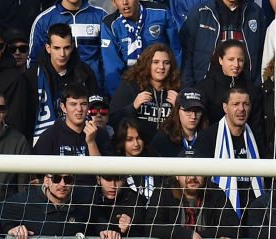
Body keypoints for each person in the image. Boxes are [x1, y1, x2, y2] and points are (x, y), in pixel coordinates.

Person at [21, 23, 99, 143]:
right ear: (48, 48)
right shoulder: (32, 76)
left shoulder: (84, 73)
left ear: (72, 47)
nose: (62, 54)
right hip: (43, 141)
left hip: (80, 138)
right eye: (57, 48)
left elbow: (94, 108)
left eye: (66, 48)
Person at [194, 87, 265, 219]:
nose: (241, 109)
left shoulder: (257, 137)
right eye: (236, 104)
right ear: (225, 107)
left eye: (246, 104)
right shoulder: (208, 137)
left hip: (254, 214)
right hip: (219, 213)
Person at [101, 0, 182, 96]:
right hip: (130, 87)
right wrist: (119, 98)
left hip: (163, 85)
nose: (124, 2)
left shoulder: (161, 13)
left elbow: (175, 52)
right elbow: (112, 67)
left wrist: (174, 87)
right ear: (114, 2)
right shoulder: (109, 24)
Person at [179, 0, 267, 85]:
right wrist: (189, 87)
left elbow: (262, 54)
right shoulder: (201, 12)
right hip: (207, 88)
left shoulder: (255, 12)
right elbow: (186, 53)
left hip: (244, 89)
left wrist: (256, 87)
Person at [107, 44, 181, 144]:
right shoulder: (131, 86)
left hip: (168, 150)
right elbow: (111, 121)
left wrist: (179, 108)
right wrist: (133, 107)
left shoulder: (177, 90)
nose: (161, 67)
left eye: (166, 63)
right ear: (147, 64)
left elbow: (189, 126)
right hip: (138, 150)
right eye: (155, 62)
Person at [30, 1, 108, 89]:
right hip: (55, 90)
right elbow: (34, 60)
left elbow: (109, 58)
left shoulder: (101, 15)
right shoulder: (43, 20)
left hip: (95, 88)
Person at [0, 172, 93, 239]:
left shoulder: (86, 201)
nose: (63, 184)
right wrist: (10, 228)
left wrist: (104, 230)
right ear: (46, 181)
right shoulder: (23, 201)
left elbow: (98, 221)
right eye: (56, 179)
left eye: (68, 179)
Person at [33, 82, 111, 159]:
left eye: (83, 104)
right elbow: (37, 169)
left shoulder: (101, 135)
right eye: (73, 104)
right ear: (63, 107)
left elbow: (106, 170)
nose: (79, 109)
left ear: (88, 107)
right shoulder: (49, 137)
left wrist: (91, 143)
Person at [150, 86, 207, 157]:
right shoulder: (162, 139)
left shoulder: (209, 138)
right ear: (177, 111)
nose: (193, 116)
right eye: (187, 111)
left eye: (197, 111)